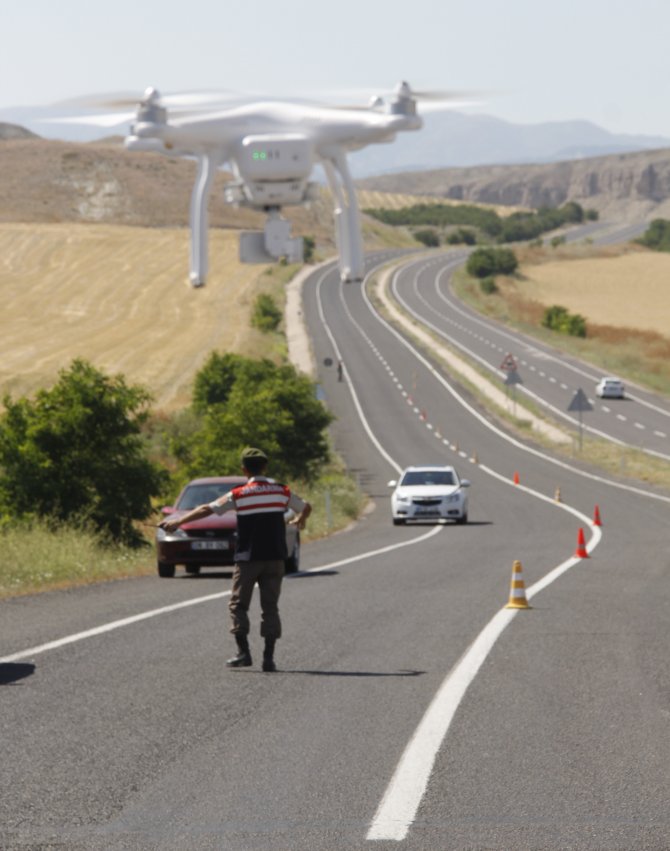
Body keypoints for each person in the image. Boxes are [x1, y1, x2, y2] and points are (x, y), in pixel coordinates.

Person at [160, 447, 311, 672]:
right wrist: (301, 519)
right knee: (270, 607)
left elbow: (206, 509)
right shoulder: (282, 491)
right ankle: (269, 659)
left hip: (248, 558)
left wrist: (178, 522)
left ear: (244, 469)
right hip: (275, 558)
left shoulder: (240, 493)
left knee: (238, 604)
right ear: (265, 467)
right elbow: (306, 506)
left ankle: (243, 652)